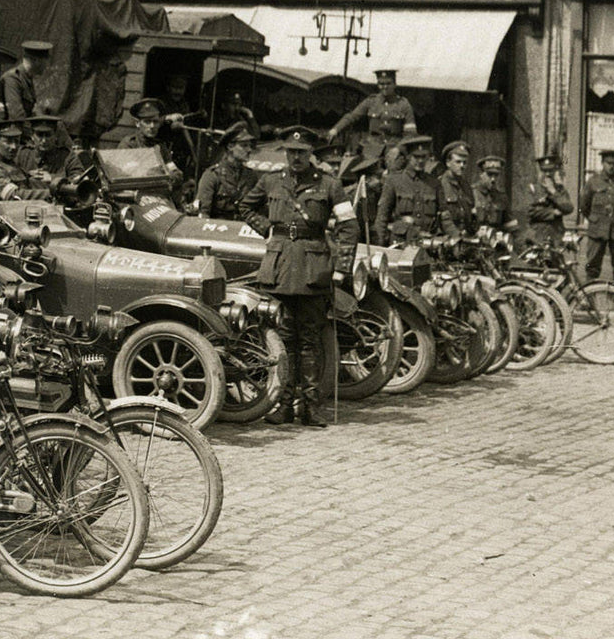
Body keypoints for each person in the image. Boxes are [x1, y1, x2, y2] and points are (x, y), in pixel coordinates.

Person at [238, 126, 359, 429]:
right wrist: (267, 229)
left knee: (310, 340)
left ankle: (311, 407)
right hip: (279, 267)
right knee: (282, 338)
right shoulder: (270, 181)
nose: (296, 158)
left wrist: (342, 267)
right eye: (291, 153)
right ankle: (283, 405)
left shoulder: (329, 185)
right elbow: (245, 206)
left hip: (312, 269)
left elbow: (349, 226)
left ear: (311, 155)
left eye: (302, 153)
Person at [326, 68, 417, 166]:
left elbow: (411, 134)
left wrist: (398, 149)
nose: (384, 87)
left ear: (395, 84)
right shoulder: (371, 101)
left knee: (396, 175)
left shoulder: (403, 104)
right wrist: (335, 129)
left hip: (394, 150)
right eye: (381, 84)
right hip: (372, 150)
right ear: (378, 85)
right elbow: (352, 116)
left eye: (388, 83)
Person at [374, 135, 455, 246]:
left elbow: (445, 218)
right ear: (408, 157)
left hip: (427, 244)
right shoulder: (394, 181)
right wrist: (380, 246)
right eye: (416, 157)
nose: (420, 161)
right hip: (400, 244)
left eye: (423, 157)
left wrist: (456, 237)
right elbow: (382, 217)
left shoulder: (434, 183)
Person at [580, 148, 614, 283]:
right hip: (597, 229)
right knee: (592, 266)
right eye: (608, 163)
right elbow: (584, 206)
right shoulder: (593, 182)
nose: (611, 166)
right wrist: (595, 220)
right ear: (602, 163)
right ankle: (589, 300)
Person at [193, 121, 257, 220]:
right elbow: (203, 214)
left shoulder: (251, 176)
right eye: (244, 145)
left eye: (249, 146)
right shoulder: (212, 176)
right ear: (230, 146)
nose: (249, 150)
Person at [0, 119, 50, 201]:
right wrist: (49, 193)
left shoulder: (8, 161)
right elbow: (14, 195)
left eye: (16, 141)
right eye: (8, 142)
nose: (14, 147)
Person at [527, 152, 575, 247]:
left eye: (550, 171)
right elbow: (529, 211)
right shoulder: (533, 188)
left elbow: (569, 208)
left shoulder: (559, 189)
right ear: (540, 171)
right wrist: (553, 213)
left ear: (555, 171)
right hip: (538, 236)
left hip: (556, 236)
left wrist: (553, 192)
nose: (548, 174)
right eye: (544, 171)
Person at [1, 40, 53, 121]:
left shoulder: (27, 77)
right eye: (45, 62)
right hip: (12, 129)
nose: (46, 66)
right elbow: (17, 116)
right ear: (36, 61)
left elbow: (33, 109)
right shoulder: (13, 79)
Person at [472, 156, 518, 236]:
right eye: (489, 175)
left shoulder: (502, 197)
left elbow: (510, 225)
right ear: (481, 174)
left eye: (496, 175)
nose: (493, 179)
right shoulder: (471, 193)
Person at [437, 141, 477, 235]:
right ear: (448, 163)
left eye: (465, 162)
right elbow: (442, 219)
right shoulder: (439, 185)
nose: (462, 166)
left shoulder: (466, 187)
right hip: (446, 239)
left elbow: (471, 217)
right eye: (458, 162)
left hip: (465, 238)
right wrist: (457, 236)